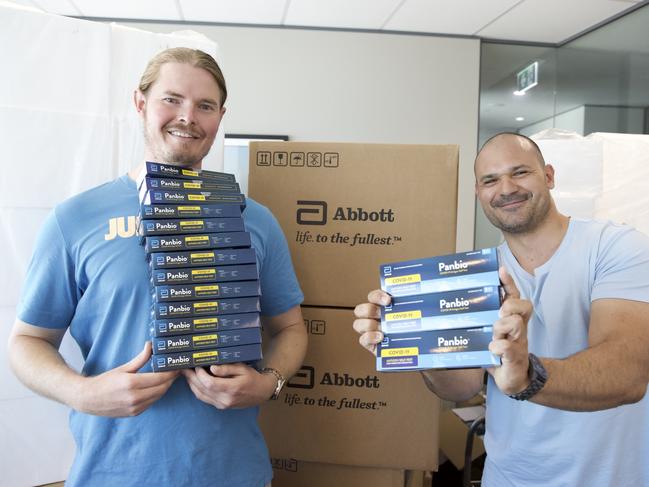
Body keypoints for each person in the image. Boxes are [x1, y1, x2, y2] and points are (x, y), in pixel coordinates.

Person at [8, 47, 307, 487]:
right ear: (140, 102)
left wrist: (267, 384)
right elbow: (27, 341)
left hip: (234, 474)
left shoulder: (255, 220)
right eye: (172, 99)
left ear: (220, 117)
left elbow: (291, 329)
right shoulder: (75, 218)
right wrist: (83, 392)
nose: (188, 116)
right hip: (112, 474)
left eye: (205, 105)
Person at [353, 132, 649, 486]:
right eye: (490, 180)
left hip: (609, 477)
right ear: (478, 193)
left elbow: (627, 372)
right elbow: (460, 386)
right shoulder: (473, 277)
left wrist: (527, 376)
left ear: (549, 176)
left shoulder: (614, 247)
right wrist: (416, 343)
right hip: (509, 477)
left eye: (520, 172)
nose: (506, 188)